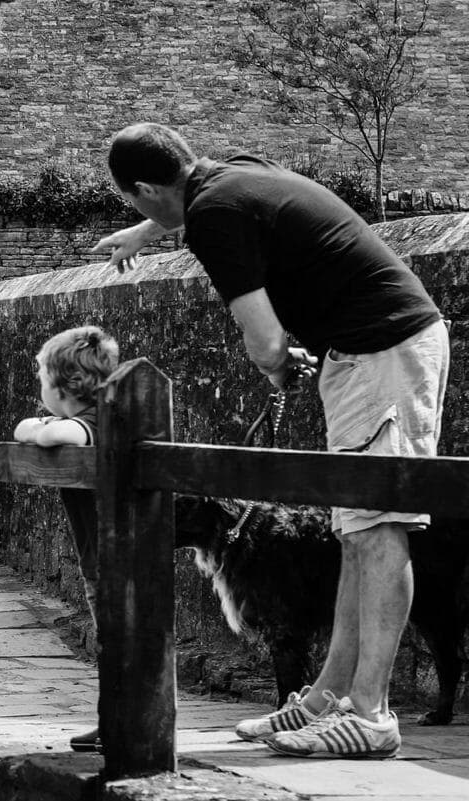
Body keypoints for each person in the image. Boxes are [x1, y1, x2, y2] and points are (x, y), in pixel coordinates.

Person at [94, 123, 449, 759]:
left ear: (145, 188)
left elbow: (263, 343)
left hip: (384, 348)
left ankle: (371, 713)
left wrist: (280, 365)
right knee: (356, 528)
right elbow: (196, 195)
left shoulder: (213, 217)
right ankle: (326, 701)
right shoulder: (229, 173)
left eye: (134, 202)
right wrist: (144, 231)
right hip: (373, 348)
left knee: (381, 528)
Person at [14, 324, 119, 754]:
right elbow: (25, 428)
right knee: (109, 640)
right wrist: (41, 426)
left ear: (63, 386)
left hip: (112, 558)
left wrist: (45, 429)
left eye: (41, 379)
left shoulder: (94, 421)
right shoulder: (83, 416)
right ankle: (112, 719)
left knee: (115, 642)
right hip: (101, 556)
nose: (39, 387)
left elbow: (64, 435)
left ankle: (120, 722)